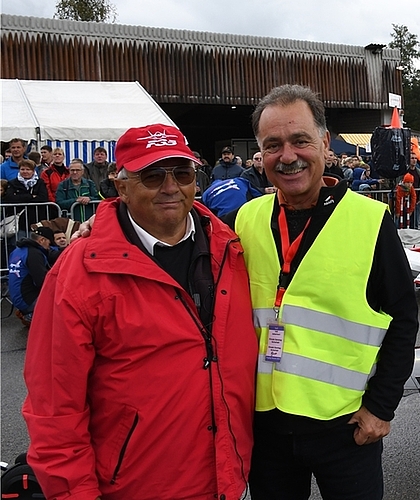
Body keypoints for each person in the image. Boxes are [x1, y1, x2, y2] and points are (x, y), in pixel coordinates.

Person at [22, 123, 257, 500]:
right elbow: (54, 410)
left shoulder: (230, 247)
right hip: (136, 486)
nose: (170, 187)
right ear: (122, 187)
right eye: (151, 176)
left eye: (182, 173)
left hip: (227, 477)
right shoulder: (79, 272)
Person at [217, 84, 416, 500]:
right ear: (260, 153)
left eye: (300, 140)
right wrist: (104, 226)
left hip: (344, 428)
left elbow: (404, 320)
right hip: (266, 428)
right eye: (273, 145)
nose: (287, 156)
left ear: (324, 143)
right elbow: (173, 228)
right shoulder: (243, 220)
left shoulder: (370, 221)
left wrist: (381, 408)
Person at [7, 227, 54, 326]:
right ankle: (33, 314)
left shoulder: (17, 251)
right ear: (42, 240)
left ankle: (27, 313)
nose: (49, 247)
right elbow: (42, 281)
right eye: (49, 244)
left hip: (17, 299)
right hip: (28, 300)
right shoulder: (34, 253)